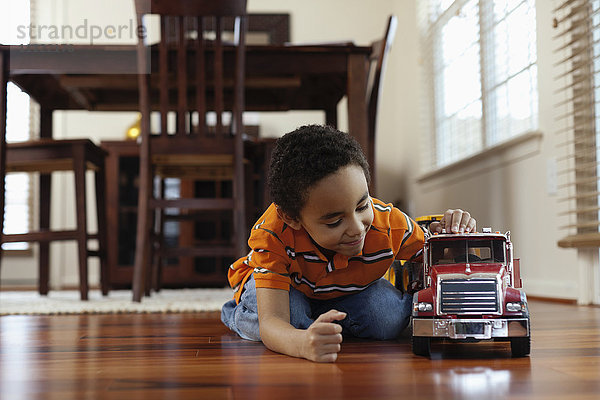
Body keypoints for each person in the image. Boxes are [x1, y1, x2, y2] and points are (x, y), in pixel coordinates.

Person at [221, 124, 476, 362]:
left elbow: (443, 256)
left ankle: (321, 323)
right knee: (288, 324)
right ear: (292, 218)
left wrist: (456, 233)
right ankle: (240, 312)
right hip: (289, 288)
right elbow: (273, 321)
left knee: (388, 319)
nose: (356, 229)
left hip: (346, 291)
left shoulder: (390, 226)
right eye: (334, 222)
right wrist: (302, 344)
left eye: (362, 206)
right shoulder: (272, 235)